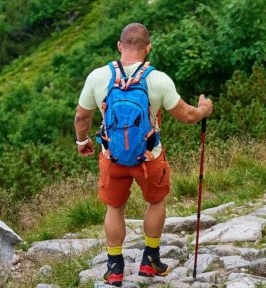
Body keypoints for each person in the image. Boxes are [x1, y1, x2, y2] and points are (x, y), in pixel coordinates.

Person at [74, 23, 213, 286]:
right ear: (148, 48)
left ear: (119, 46)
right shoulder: (159, 79)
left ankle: (114, 267)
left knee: (114, 207)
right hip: (149, 158)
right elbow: (187, 116)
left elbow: (82, 115)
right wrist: (204, 110)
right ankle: (150, 260)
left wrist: (82, 141)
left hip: (111, 157)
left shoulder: (97, 77)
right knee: (156, 201)